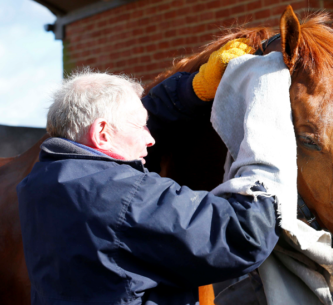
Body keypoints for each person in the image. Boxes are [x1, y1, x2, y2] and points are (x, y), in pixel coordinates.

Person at [17, 40, 281, 305]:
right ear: (102, 133)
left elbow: (128, 129)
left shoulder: (39, 182)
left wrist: (192, 91)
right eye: (141, 126)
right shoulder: (122, 196)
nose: (150, 138)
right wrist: (263, 162)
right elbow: (243, 238)